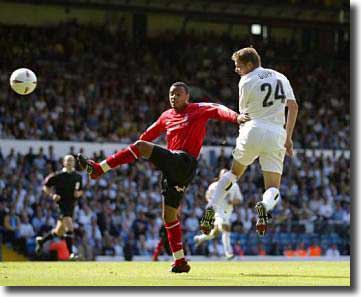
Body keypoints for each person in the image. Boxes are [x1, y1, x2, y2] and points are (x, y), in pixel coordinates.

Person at [77, 81, 249, 273]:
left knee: (142, 148)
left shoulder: (197, 109)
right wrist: (137, 148)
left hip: (185, 162)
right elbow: (148, 134)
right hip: (172, 170)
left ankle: (99, 169)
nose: (173, 97)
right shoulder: (166, 116)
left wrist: (236, 117)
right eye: (171, 94)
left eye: (177, 94)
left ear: (187, 97)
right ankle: (180, 261)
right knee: (169, 216)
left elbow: (218, 109)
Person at [201, 47, 298, 237]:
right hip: (277, 132)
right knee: (272, 187)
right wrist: (288, 138)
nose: (236, 70)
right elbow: (293, 107)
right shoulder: (281, 77)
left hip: (253, 129)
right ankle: (264, 205)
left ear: (249, 64)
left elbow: (244, 115)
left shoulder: (245, 81)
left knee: (234, 173)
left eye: (238, 66)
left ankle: (211, 206)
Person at [35, 155, 83, 260]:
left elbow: (81, 190)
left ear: (74, 163)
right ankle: (71, 254)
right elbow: (45, 186)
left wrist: (77, 194)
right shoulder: (58, 175)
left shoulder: (78, 177)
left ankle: (42, 240)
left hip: (71, 205)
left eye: (72, 161)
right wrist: (52, 195)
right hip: (61, 204)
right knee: (69, 228)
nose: (70, 162)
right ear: (64, 163)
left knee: (59, 231)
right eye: (68, 161)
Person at [193, 169, 243, 260]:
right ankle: (229, 253)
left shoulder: (234, 186)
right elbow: (207, 195)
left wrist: (232, 201)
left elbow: (239, 199)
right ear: (220, 177)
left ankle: (199, 238)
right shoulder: (214, 186)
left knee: (214, 234)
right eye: (223, 175)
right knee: (225, 228)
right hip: (218, 212)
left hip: (228, 212)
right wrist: (212, 202)